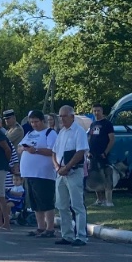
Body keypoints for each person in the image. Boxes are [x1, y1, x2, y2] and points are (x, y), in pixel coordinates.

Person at [51, 104, 89, 246]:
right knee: (62, 205)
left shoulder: (79, 131)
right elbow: (54, 152)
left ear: (72, 116)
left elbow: (80, 152)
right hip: (61, 173)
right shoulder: (61, 132)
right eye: (60, 116)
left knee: (77, 205)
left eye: (65, 116)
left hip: (73, 172)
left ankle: (81, 236)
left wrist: (67, 167)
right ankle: (67, 235)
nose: (62, 119)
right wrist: (57, 167)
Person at [17, 112, 58, 236]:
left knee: (45, 200)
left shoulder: (50, 133)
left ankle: (50, 228)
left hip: (43, 174)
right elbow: (19, 147)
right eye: (32, 122)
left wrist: (36, 150)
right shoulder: (30, 133)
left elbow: (53, 151)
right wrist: (24, 148)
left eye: (36, 122)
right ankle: (40, 227)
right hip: (29, 173)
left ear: (43, 121)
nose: (34, 124)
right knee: (34, 202)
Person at [87, 103, 116, 208]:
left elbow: (112, 139)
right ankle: (99, 199)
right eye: (94, 111)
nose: (96, 113)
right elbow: (90, 138)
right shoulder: (93, 124)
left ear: (102, 111)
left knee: (106, 177)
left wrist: (105, 152)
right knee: (96, 177)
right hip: (93, 156)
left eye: (98, 110)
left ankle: (109, 201)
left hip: (103, 156)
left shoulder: (107, 124)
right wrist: (89, 151)